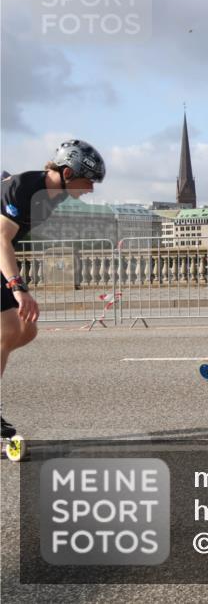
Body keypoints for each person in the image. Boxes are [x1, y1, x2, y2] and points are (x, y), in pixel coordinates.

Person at [1, 140, 107, 454]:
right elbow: (2, 240)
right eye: (88, 181)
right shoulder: (23, 188)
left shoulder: (54, 196)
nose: (90, 189)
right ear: (67, 171)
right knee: (9, 329)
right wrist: (19, 289)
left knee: (25, 330)